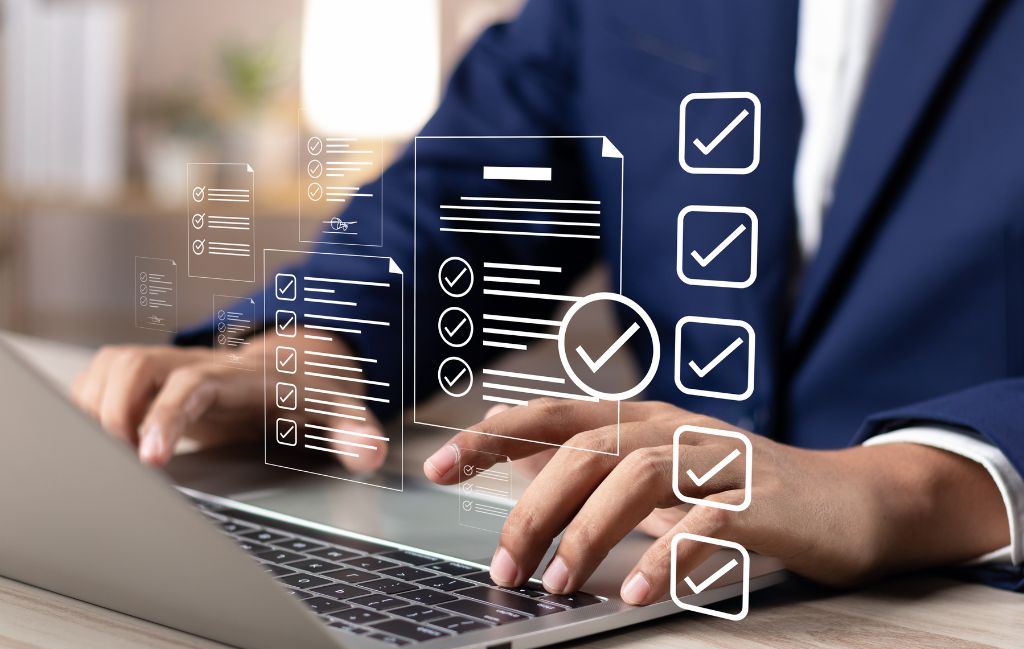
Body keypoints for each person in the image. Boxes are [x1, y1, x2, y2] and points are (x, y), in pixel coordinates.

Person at [72, 0, 1024, 604]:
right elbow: (479, 178)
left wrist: (917, 485)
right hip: (656, 596)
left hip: (968, 613)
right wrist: (313, 343)